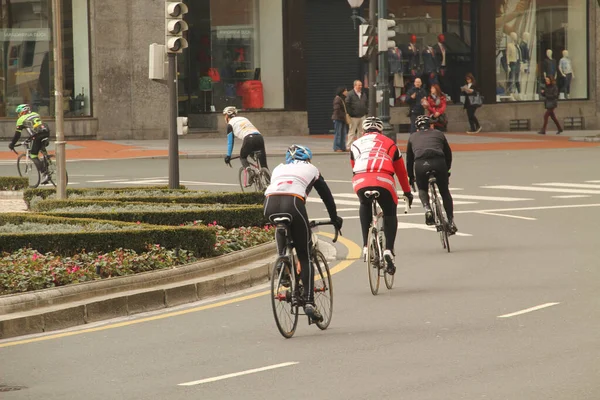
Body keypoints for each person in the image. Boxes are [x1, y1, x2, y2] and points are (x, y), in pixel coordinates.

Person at [264, 145, 343, 322]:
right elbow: (326, 195)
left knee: (281, 225)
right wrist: (334, 218)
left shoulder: (279, 167)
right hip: (293, 204)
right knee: (305, 254)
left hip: (269, 204)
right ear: (307, 158)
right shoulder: (311, 169)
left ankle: (281, 260)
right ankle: (309, 302)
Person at [349, 117, 413, 275]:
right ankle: (388, 251)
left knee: (364, 204)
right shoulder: (390, 143)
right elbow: (401, 172)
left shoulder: (355, 144)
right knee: (390, 212)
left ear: (363, 131)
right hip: (384, 179)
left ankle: (365, 246)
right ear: (381, 131)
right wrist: (407, 192)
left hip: (361, 179)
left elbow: (354, 167)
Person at [405, 115, 457, 234]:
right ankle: (450, 220)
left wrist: (411, 177)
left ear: (417, 128)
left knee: (422, 188)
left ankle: (427, 208)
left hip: (421, 163)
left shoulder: (413, 137)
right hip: (439, 162)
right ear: (430, 125)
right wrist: (447, 170)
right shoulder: (438, 134)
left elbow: (409, 160)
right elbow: (448, 153)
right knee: (444, 191)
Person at [8, 104, 51, 184]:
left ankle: (45, 174)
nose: (19, 114)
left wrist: (12, 144)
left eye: (19, 112)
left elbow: (17, 134)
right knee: (40, 147)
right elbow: (34, 126)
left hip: (37, 135)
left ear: (22, 112)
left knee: (33, 155)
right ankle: (47, 160)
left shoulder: (21, 119)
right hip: (46, 132)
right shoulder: (35, 114)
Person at [345, 80, 368, 150]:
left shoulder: (363, 93)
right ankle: (349, 146)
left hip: (362, 115)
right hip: (353, 116)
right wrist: (350, 113)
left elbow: (366, 102)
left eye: (361, 85)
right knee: (352, 131)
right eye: (359, 85)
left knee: (361, 132)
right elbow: (347, 103)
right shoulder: (350, 94)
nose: (360, 87)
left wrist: (366, 111)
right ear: (355, 86)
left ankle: (359, 145)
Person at [332, 87, 349, 152]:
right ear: (342, 92)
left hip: (342, 118)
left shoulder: (343, 98)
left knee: (343, 133)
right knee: (338, 133)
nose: (347, 92)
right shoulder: (338, 99)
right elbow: (337, 109)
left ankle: (342, 147)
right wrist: (343, 114)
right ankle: (337, 147)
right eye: (345, 91)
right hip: (338, 118)